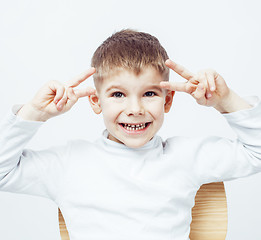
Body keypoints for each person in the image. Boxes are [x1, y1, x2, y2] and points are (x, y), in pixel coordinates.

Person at [0, 29, 261, 240]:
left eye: (149, 94)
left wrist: (224, 100)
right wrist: (35, 112)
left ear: (168, 101)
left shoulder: (186, 156)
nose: (135, 109)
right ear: (95, 101)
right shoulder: (70, 162)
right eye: (117, 94)